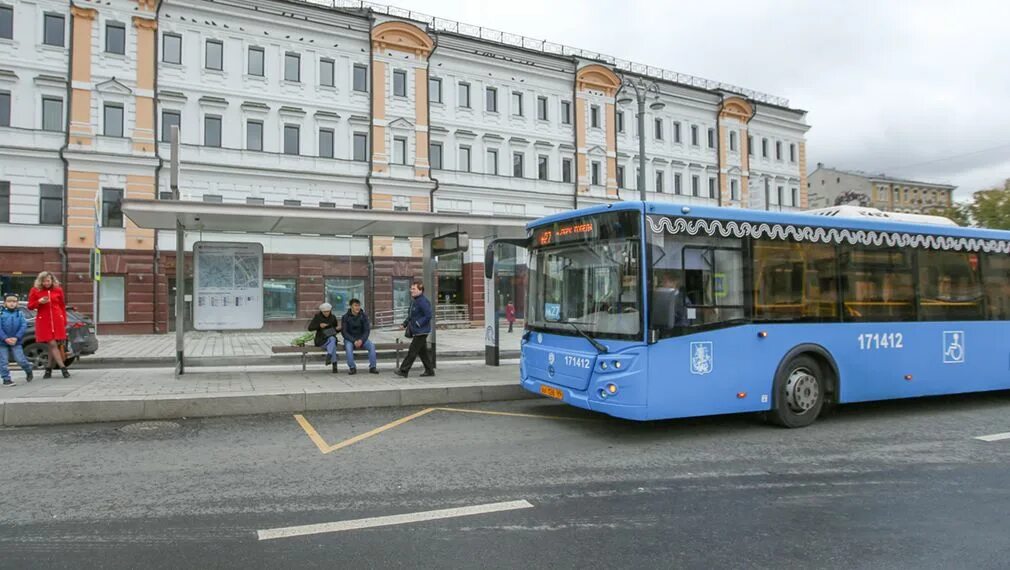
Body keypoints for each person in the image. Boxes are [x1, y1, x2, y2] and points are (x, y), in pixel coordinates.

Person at [27, 271, 69, 378]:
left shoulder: (58, 290)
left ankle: (48, 369)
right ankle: (63, 368)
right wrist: (39, 302)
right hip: (44, 321)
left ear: (52, 280)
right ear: (40, 281)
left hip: (57, 320)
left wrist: (64, 320)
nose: (46, 283)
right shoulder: (35, 290)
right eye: (44, 281)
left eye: (48, 281)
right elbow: (30, 306)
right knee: (53, 344)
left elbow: (62, 306)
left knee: (52, 346)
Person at [395, 281, 434, 378]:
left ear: (420, 290)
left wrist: (418, 323)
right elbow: (410, 315)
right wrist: (404, 324)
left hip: (421, 331)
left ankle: (403, 370)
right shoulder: (414, 301)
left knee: (412, 351)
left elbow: (428, 315)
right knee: (422, 352)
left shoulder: (423, 301)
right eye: (411, 288)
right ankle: (429, 370)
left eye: (414, 289)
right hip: (416, 331)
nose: (411, 290)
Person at [0, 294, 33, 386]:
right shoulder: (1, 313)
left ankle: (28, 369)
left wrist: (16, 337)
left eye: (14, 302)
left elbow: (23, 326)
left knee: (20, 359)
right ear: (5, 303)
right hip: (2, 342)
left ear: (17, 303)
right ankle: (6, 379)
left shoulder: (20, 314)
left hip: (16, 341)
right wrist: (5, 338)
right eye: (9, 301)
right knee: (3, 361)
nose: (11, 304)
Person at [341, 298, 378, 375]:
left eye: (358, 305)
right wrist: (354, 341)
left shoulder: (363, 316)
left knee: (371, 346)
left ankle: (373, 367)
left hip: (362, 339)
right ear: (351, 306)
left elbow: (367, 330)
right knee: (348, 348)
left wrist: (361, 340)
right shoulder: (345, 317)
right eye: (355, 305)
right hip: (350, 339)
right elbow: (344, 332)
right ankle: (352, 367)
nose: (357, 307)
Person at [308, 302, 340, 374]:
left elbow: (334, 330)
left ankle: (329, 356)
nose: (326, 313)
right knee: (333, 343)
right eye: (324, 312)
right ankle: (334, 364)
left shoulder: (333, 317)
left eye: (328, 311)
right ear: (321, 311)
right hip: (321, 339)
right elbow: (310, 328)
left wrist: (338, 329)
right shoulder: (317, 317)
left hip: (330, 336)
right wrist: (319, 326)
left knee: (332, 340)